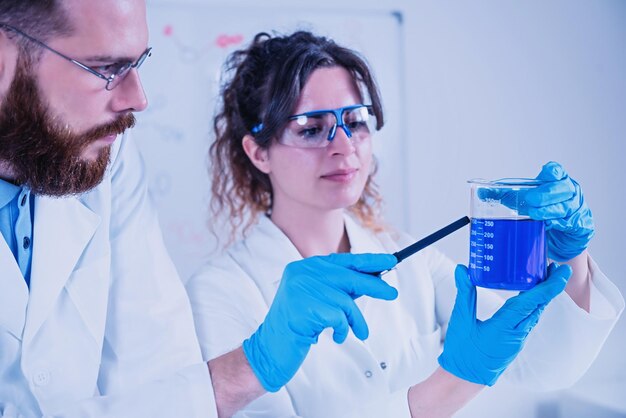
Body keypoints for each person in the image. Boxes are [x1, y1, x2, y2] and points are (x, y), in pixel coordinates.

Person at [186, 31, 625, 417]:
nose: (344, 146)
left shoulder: (409, 258)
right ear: (258, 152)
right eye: (310, 127)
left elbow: (544, 368)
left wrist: (570, 258)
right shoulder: (221, 292)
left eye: (355, 121)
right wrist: (456, 380)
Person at [0, 2, 408, 417]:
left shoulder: (109, 158)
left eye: (355, 121)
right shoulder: (222, 290)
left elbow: (156, 374)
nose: (138, 99)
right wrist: (257, 362)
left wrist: (252, 365)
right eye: (105, 68)